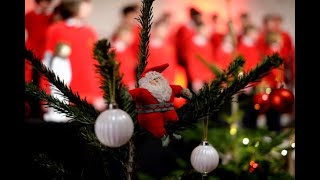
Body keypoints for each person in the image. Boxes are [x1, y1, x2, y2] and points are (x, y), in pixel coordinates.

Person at [41, 0, 105, 122]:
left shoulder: (89, 31)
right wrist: (46, 93)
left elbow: (96, 63)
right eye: (85, 3)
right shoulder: (56, 30)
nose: (89, 7)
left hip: (90, 94)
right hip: (65, 92)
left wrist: (100, 93)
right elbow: (47, 63)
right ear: (74, 6)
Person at [129, 63, 192, 147]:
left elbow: (177, 89)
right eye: (153, 80)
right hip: (151, 115)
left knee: (173, 120)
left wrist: (184, 92)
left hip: (169, 112)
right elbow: (134, 93)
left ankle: (173, 133)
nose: (156, 81)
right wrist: (126, 95)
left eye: (158, 79)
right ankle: (163, 137)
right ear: (146, 82)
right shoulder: (144, 91)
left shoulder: (168, 89)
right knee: (156, 127)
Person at [25, 0, 60, 119]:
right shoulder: (29, 15)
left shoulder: (51, 16)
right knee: (32, 83)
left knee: (45, 84)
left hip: (46, 55)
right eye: (46, 2)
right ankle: (32, 111)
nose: (48, 5)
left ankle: (42, 110)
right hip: (32, 54)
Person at [175, 7, 215, 92]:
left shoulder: (207, 43)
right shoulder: (187, 31)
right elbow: (189, 56)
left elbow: (209, 60)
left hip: (205, 74)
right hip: (192, 69)